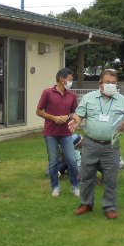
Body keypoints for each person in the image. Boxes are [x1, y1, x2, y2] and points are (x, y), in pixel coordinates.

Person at [69, 69, 124, 219]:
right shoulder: (89, 98)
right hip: (90, 143)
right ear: (100, 84)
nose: (111, 85)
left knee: (111, 178)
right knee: (86, 176)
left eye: (114, 83)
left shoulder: (122, 99)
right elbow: (79, 114)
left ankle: (110, 206)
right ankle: (86, 204)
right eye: (108, 82)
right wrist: (76, 121)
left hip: (112, 145)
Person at [36, 68, 79, 197]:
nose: (71, 82)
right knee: (53, 161)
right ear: (62, 79)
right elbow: (38, 111)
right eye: (70, 79)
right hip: (50, 133)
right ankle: (55, 187)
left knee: (72, 160)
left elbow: (74, 113)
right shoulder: (47, 93)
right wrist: (54, 118)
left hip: (66, 133)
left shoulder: (72, 95)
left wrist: (68, 117)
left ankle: (75, 186)